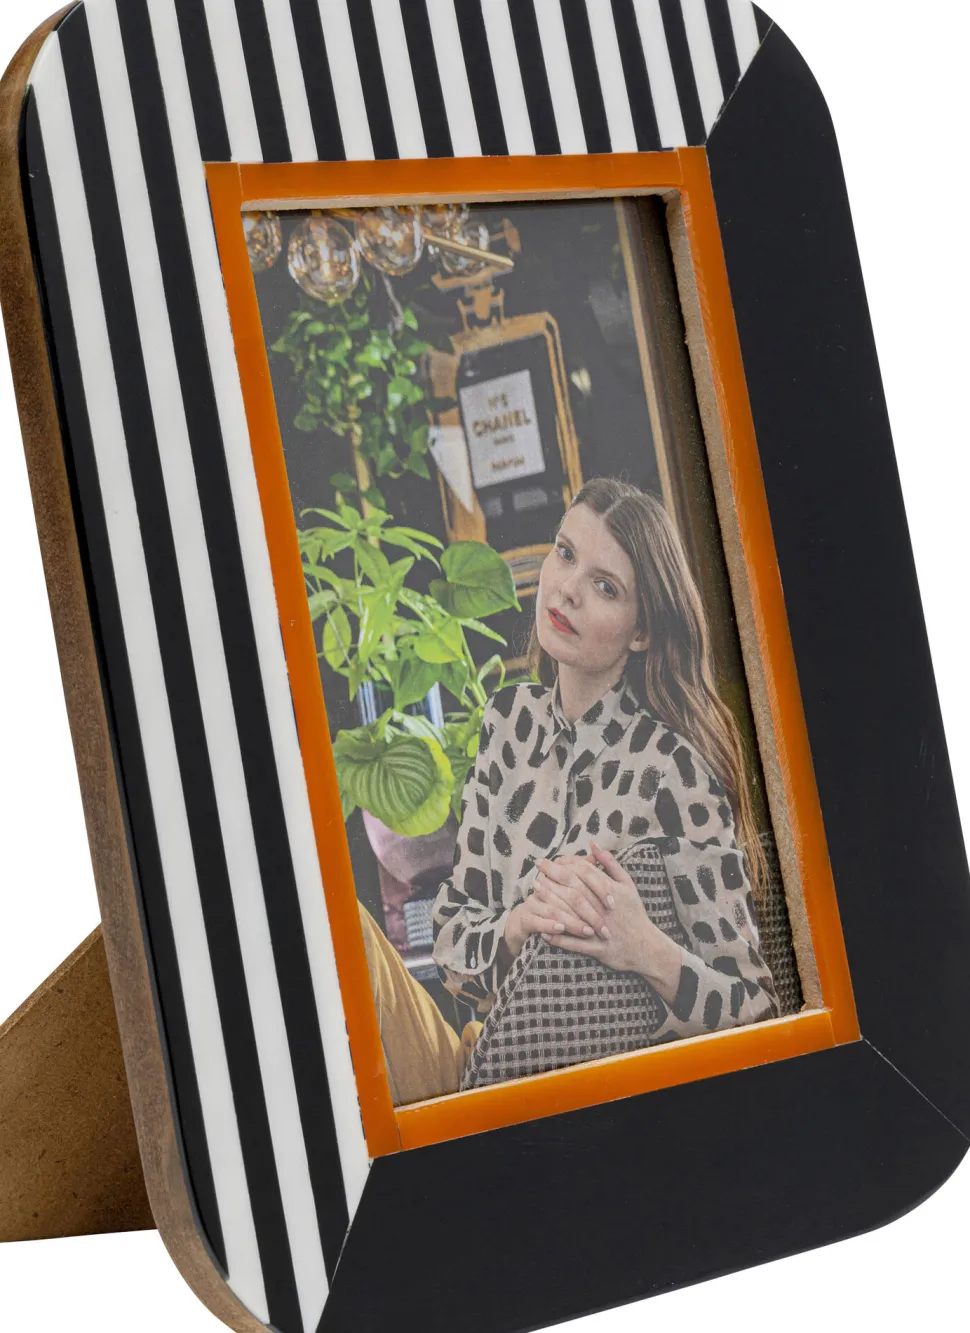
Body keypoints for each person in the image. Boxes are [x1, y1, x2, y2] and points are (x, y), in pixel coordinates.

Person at [361, 477, 779, 1102]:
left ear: (641, 632)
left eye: (605, 587)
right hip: (480, 1067)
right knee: (337, 927)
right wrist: (516, 927)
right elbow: (450, 942)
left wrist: (643, 948)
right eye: (565, 553)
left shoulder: (674, 770)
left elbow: (757, 1011)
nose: (567, 590)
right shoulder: (507, 722)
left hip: (583, 1100)